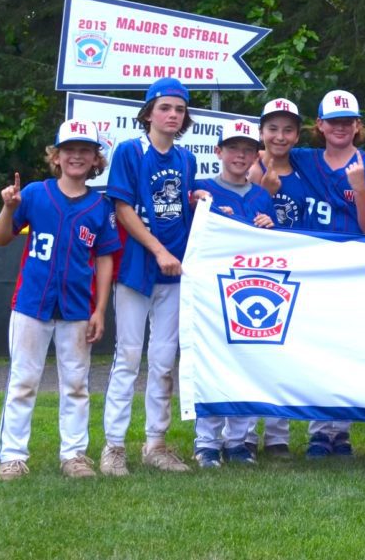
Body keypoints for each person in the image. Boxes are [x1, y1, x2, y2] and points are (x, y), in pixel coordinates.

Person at [0, 120, 120, 481]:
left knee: (77, 384)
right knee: (23, 381)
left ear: (96, 159)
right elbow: (1, 238)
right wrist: (8, 208)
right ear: (57, 156)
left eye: (85, 150)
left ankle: (74, 454)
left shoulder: (100, 207)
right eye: (69, 150)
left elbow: (106, 258)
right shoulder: (34, 194)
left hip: (78, 307)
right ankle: (13, 456)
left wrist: (99, 310)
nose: (76, 156)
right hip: (32, 303)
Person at [101, 78, 200, 476]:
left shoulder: (186, 159)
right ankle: (114, 447)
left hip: (174, 272)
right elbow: (123, 208)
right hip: (137, 268)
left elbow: (184, 206)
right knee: (127, 356)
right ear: (149, 113)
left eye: (179, 109)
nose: (172, 115)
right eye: (165, 108)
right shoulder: (131, 151)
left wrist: (201, 201)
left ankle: (156, 443)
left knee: (163, 360)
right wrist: (157, 250)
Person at [292, 89, 365, 458]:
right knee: (318, 349)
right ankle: (320, 430)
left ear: (357, 126)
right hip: (314, 267)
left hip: (354, 267)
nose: (340, 128)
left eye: (347, 121)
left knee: (347, 348)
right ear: (319, 124)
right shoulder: (303, 159)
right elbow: (263, 159)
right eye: (333, 121)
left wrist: (360, 188)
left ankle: (342, 430)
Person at [192, 118, 277, 469]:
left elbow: (274, 247)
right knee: (212, 365)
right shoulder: (202, 190)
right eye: (233, 149)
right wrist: (205, 209)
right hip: (212, 291)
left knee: (248, 364)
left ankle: (238, 441)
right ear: (219, 152)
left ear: (256, 155)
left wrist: (270, 228)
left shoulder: (261, 196)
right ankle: (206, 443)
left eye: (247, 150)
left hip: (252, 288)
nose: (240, 155)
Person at [248, 97, 308, 457]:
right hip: (256, 269)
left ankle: (277, 435)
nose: (280, 136)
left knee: (283, 354)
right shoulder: (248, 167)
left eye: (287, 129)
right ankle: (240, 433)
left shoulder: (304, 168)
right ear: (261, 132)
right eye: (272, 128)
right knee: (254, 351)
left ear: (298, 135)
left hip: (294, 267)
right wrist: (263, 193)